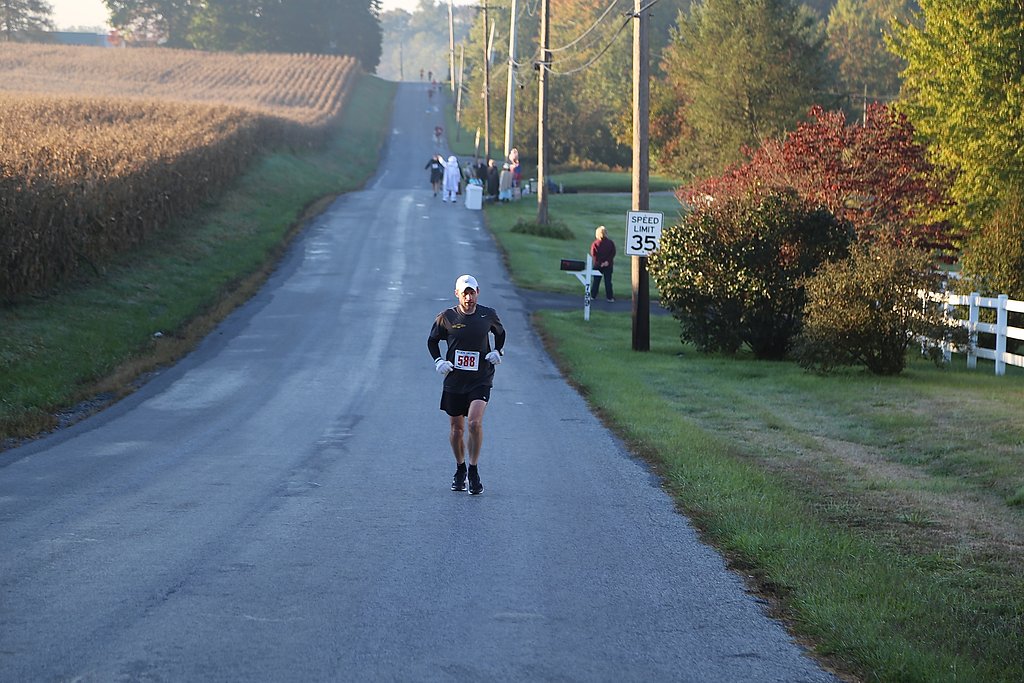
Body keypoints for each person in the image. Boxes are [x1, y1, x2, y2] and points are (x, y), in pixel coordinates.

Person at [427, 275, 506, 495]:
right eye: (465, 293)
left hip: (480, 378)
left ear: (478, 292)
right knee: (456, 429)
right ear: (457, 294)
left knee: (473, 423)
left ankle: (473, 469)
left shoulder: (487, 315)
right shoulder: (447, 317)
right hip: (455, 379)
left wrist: (497, 352)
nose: (469, 298)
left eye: (472, 293)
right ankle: (460, 468)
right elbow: (432, 341)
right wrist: (439, 361)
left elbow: (500, 334)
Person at [590, 225, 616, 302]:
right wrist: (607, 262)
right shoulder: (610, 243)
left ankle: (593, 296)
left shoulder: (595, 244)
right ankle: (609, 297)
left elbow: (594, 255)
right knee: (608, 281)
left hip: (598, 265)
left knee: (596, 281)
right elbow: (612, 253)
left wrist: (600, 263)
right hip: (608, 265)